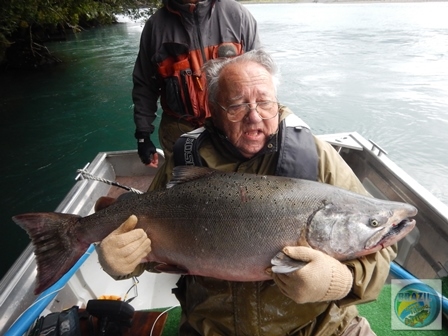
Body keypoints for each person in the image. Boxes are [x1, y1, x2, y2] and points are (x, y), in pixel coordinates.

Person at [98, 49, 396, 335]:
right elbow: (142, 236)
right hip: (211, 329)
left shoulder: (318, 156)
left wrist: (342, 282)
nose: (254, 116)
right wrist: (124, 263)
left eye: (265, 103)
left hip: (318, 327)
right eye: (238, 105)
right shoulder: (185, 157)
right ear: (213, 110)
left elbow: (381, 248)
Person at [132, 0, 261, 168]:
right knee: (183, 188)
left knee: (234, 186)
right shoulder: (155, 27)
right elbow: (145, 85)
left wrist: (262, 123)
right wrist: (143, 135)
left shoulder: (238, 16)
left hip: (232, 126)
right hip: (178, 131)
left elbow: (261, 77)